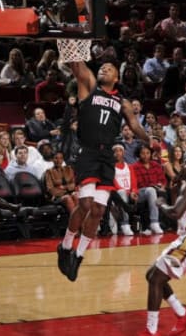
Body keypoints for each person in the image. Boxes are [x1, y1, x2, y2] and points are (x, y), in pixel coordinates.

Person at [57, 60, 148, 282]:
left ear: (117, 77)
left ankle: (78, 255)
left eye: (109, 68)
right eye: (102, 68)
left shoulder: (122, 102)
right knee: (85, 204)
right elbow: (78, 68)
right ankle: (66, 245)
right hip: (87, 152)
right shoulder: (90, 87)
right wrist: (75, 47)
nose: (104, 69)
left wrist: (150, 140)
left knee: (98, 210)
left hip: (107, 155)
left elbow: (135, 126)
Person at [138, 157, 186, 336]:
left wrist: (161, 204)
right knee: (152, 275)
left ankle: (151, 330)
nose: (183, 165)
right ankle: (183, 314)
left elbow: (176, 212)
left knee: (156, 279)